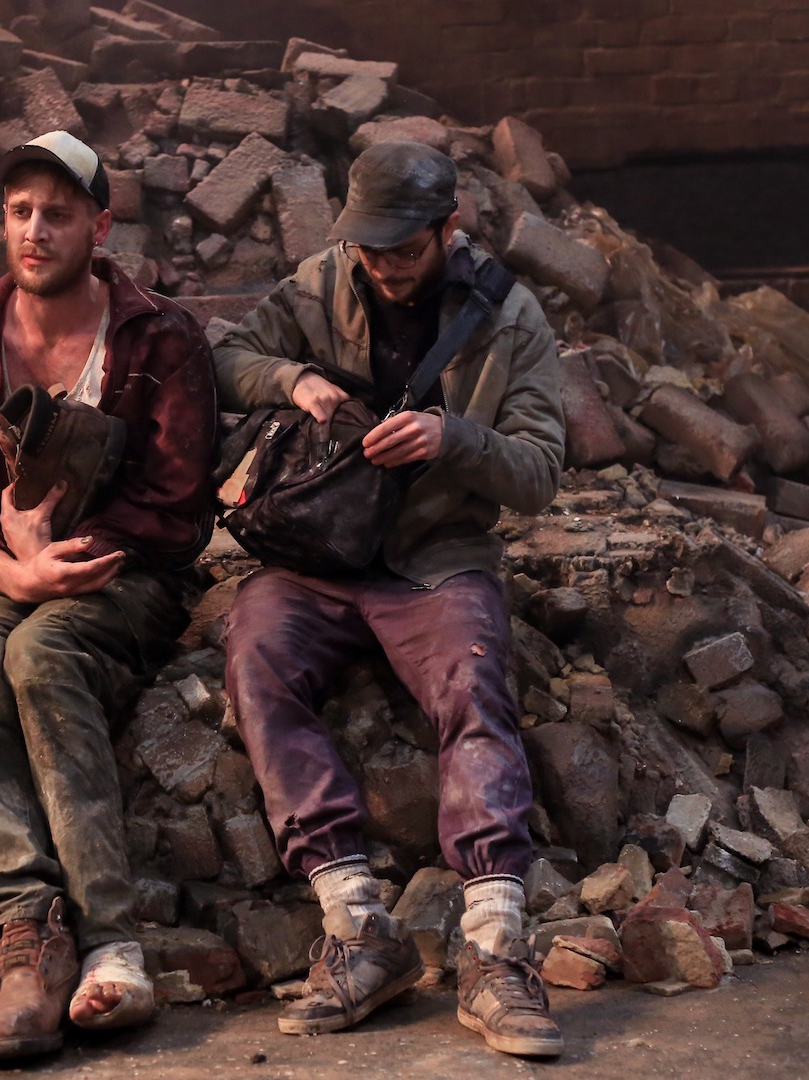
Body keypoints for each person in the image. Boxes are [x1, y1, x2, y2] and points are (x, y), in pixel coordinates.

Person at [212, 140, 567, 1059]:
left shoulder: (512, 316)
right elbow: (226, 356)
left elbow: (539, 473)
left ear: (450, 228)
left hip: (437, 555)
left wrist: (453, 439)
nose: (382, 266)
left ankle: (494, 948)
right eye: (368, 248)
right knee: (255, 657)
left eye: (402, 249)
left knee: (475, 684)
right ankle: (359, 926)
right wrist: (295, 379)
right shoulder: (322, 280)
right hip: (317, 554)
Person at [0, 130, 217, 1064]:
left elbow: (179, 504)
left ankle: (112, 940)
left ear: (100, 225)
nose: (35, 231)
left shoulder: (161, 336)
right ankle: (26, 936)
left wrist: (71, 557)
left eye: (58, 213)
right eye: (19, 212)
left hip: (126, 573)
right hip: (3, 571)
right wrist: (14, 572)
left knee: (42, 656)